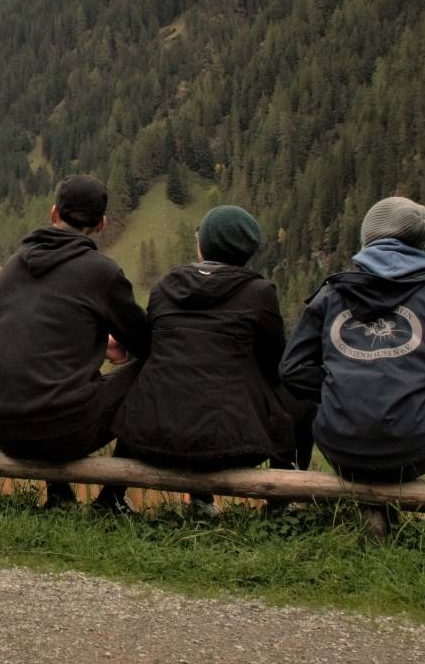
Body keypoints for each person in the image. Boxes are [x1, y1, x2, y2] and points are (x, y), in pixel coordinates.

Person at [279, 196, 425, 484]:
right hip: (414, 449)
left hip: (341, 450)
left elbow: (291, 370)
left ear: (368, 240)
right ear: (421, 245)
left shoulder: (330, 295)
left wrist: (342, 391)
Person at [0, 174, 150, 511]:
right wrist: (118, 345)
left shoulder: (13, 266)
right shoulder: (101, 272)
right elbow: (147, 343)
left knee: (45, 382)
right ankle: (112, 499)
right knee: (149, 369)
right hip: (61, 433)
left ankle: (59, 495)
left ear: (54, 213)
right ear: (101, 224)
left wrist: (101, 343)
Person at [116, 206, 307, 488]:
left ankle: (111, 497)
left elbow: (152, 350)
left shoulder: (165, 287)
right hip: (232, 445)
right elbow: (274, 363)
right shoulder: (259, 294)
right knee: (301, 395)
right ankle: (282, 502)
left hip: (152, 439)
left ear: (203, 244)